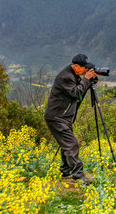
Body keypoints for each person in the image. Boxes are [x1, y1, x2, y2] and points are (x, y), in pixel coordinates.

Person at [44, 54, 97, 184]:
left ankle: (66, 171)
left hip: (63, 117)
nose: (85, 71)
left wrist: (89, 81)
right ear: (76, 66)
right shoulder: (66, 77)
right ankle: (78, 176)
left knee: (66, 145)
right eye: (84, 68)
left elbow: (79, 94)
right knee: (72, 144)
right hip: (57, 118)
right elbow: (76, 93)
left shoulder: (73, 75)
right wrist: (86, 79)